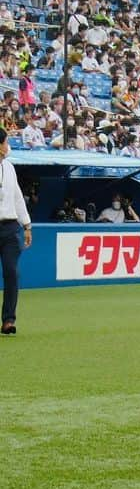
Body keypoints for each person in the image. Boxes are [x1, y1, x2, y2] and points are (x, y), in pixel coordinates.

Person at [0, 128, 31, 334]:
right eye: (6, 142)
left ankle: (8, 320)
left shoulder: (9, 167)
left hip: (10, 227)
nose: (7, 145)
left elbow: (18, 198)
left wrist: (26, 225)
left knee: (12, 272)